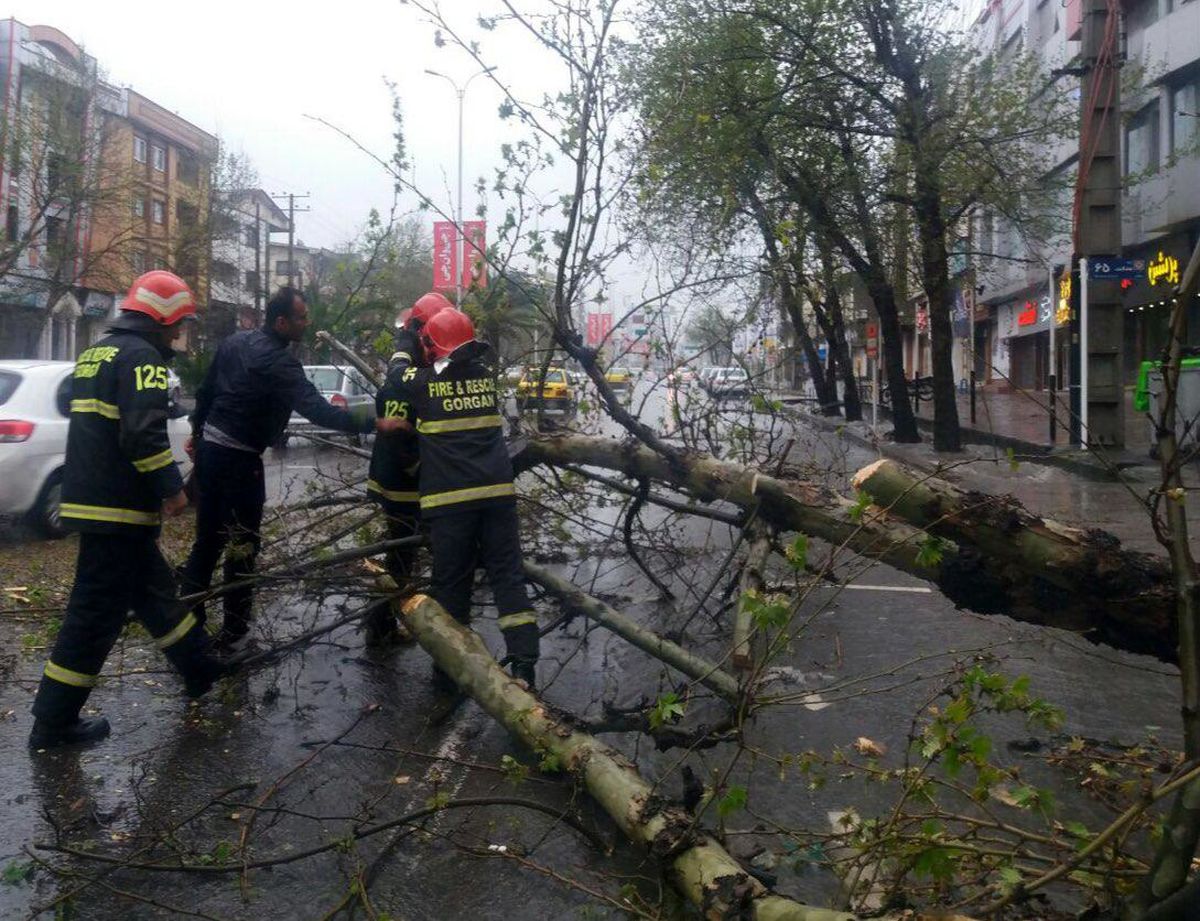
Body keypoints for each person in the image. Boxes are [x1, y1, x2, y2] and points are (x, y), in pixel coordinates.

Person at [29, 271, 228, 749]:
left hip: (95, 500)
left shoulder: (97, 351)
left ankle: (199, 668)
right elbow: (141, 433)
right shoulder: (142, 358)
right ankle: (53, 723)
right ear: (162, 318)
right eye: (178, 324)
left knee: (154, 593)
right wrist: (171, 490)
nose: (178, 334)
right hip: (115, 507)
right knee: (94, 614)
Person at [179, 287, 406, 650]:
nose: (306, 322)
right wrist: (375, 423)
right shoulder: (279, 364)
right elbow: (319, 411)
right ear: (282, 322)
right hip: (238, 462)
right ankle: (235, 634)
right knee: (243, 545)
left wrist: (196, 432)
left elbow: (206, 392)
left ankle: (188, 627)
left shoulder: (235, 343)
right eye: (301, 317)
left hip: (210, 452)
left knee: (207, 541)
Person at [386, 307, 539, 688]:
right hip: (498, 497)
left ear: (432, 347)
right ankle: (524, 666)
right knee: (508, 577)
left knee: (452, 586)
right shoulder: (488, 381)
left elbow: (394, 377)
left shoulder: (422, 383)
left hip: (450, 503)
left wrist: (406, 341)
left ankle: (449, 672)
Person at [363, 292, 453, 645]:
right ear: (423, 332)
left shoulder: (411, 355)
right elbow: (399, 436)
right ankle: (380, 625)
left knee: (404, 553)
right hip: (402, 482)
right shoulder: (407, 373)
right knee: (403, 554)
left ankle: (381, 623)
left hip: (405, 478)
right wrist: (420, 468)